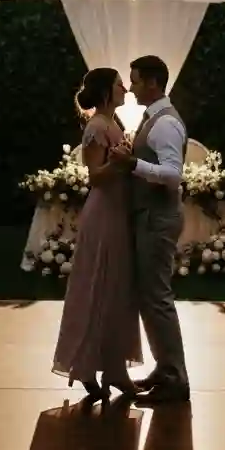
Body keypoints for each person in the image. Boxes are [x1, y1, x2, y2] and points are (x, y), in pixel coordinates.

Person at [52, 67, 141, 401]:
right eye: (120, 84)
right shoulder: (97, 127)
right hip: (104, 214)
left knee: (116, 288)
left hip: (117, 211)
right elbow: (96, 177)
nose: (125, 89)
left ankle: (112, 366)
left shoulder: (111, 124)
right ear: (106, 90)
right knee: (100, 285)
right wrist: (120, 163)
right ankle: (90, 365)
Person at [110, 54, 190, 404]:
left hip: (158, 219)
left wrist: (133, 164)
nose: (130, 88)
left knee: (157, 298)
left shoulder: (165, 124)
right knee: (150, 297)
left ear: (154, 83)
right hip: (149, 217)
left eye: (136, 80)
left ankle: (175, 377)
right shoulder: (152, 119)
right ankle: (164, 367)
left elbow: (173, 175)